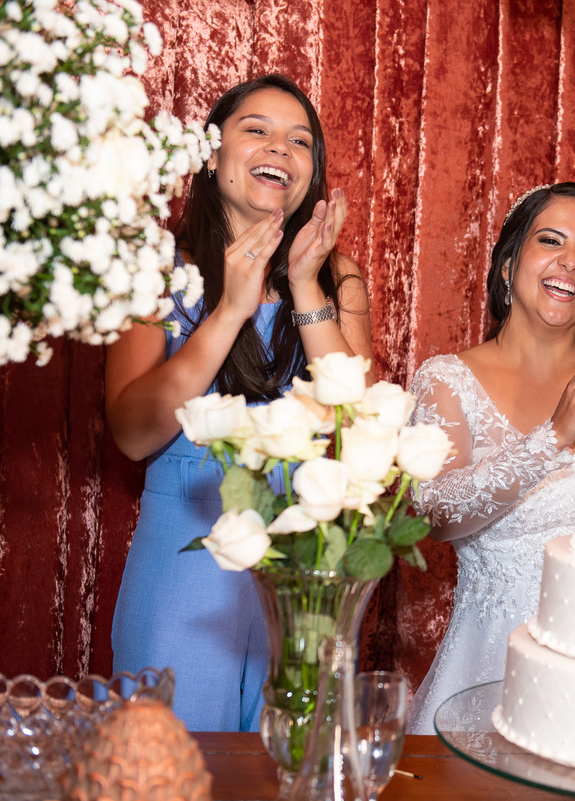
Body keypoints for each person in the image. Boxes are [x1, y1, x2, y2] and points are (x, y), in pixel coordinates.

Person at [105, 74, 373, 732]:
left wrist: (307, 281)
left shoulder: (338, 277)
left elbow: (363, 426)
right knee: (172, 768)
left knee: (299, 767)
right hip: (185, 576)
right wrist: (229, 309)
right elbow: (134, 433)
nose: (279, 147)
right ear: (212, 154)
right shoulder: (154, 268)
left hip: (306, 578)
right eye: (257, 129)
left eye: (299, 140)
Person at [403, 183, 575, 734]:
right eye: (551, 241)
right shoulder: (446, 379)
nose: (570, 263)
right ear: (507, 264)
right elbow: (435, 515)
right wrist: (551, 440)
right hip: (490, 666)